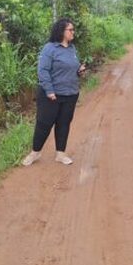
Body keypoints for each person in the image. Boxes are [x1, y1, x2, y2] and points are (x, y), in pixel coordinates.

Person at [22, 18, 86, 166]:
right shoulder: (49, 48)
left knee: (64, 123)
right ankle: (35, 153)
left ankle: (60, 154)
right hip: (51, 95)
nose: (73, 32)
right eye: (70, 30)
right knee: (44, 124)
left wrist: (79, 71)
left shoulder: (72, 49)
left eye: (73, 30)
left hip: (70, 93)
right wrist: (50, 91)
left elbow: (71, 69)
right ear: (61, 31)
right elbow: (42, 71)